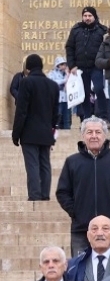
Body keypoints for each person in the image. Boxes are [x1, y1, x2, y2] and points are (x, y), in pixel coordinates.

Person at [56, 117, 110, 255]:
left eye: (98, 132)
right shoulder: (72, 162)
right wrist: (76, 211)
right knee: (81, 272)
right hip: (82, 230)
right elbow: (63, 192)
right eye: (89, 132)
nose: (94, 136)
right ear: (83, 135)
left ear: (105, 135)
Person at [12, 54, 59, 201]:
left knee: (32, 164)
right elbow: (55, 112)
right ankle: (45, 194)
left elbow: (21, 111)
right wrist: (51, 130)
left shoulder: (26, 83)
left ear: (28, 67)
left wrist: (16, 133)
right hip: (46, 132)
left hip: (29, 132)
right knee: (45, 164)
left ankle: (34, 195)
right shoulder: (53, 85)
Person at [65, 6, 108, 120]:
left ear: (94, 16)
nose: (87, 18)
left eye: (90, 16)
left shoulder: (102, 30)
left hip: (96, 66)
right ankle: (87, 117)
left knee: (99, 89)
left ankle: (103, 116)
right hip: (80, 67)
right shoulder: (76, 30)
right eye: (85, 16)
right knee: (84, 93)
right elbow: (69, 47)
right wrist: (71, 65)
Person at [48, 56, 71, 130]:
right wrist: (64, 80)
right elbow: (53, 83)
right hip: (57, 99)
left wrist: (68, 76)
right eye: (62, 64)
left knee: (67, 118)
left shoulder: (67, 73)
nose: (64, 66)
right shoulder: (52, 74)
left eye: (65, 64)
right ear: (57, 65)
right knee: (57, 117)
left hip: (67, 99)